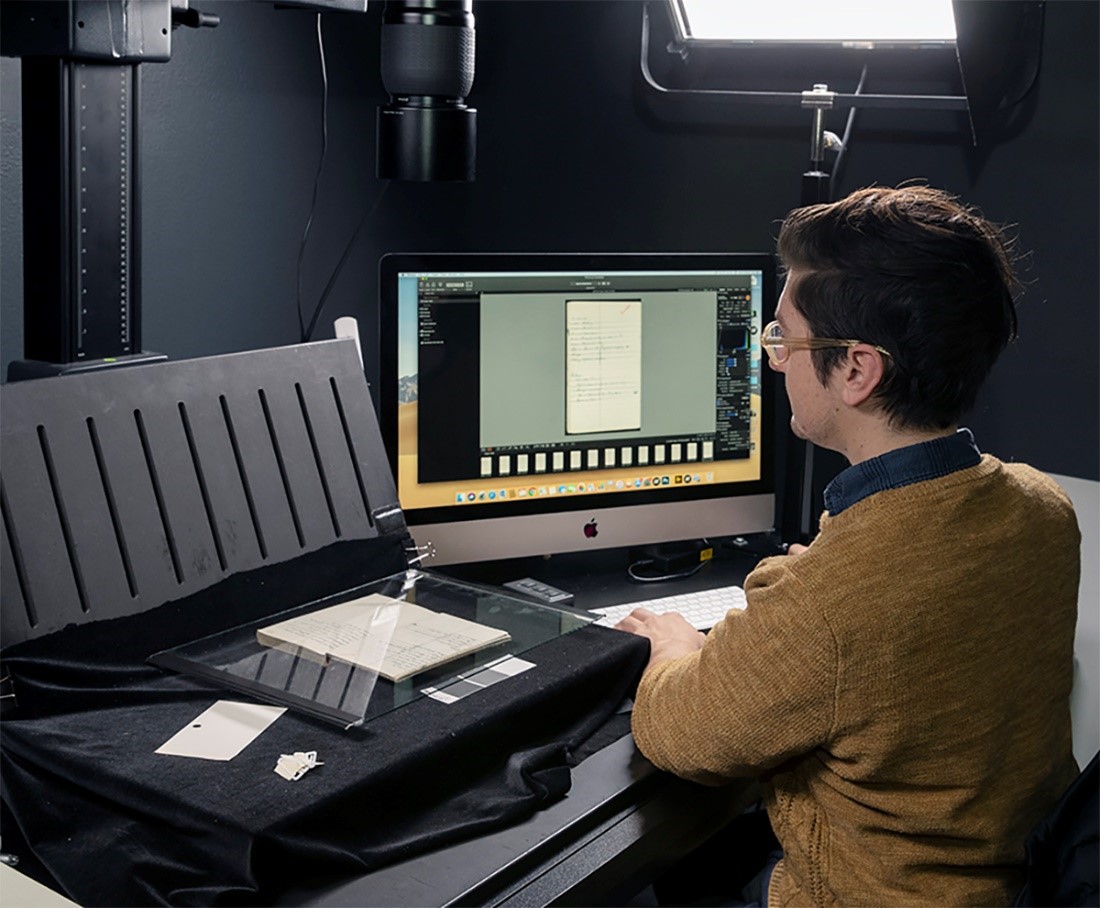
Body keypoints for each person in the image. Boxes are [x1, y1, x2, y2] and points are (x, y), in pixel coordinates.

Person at [618, 185, 1081, 907]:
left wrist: (673, 647)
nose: (776, 363)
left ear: (858, 370)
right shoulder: (1043, 509)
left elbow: (683, 735)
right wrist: (820, 584)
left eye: (782, 340)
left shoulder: (834, 607)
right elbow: (898, 607)